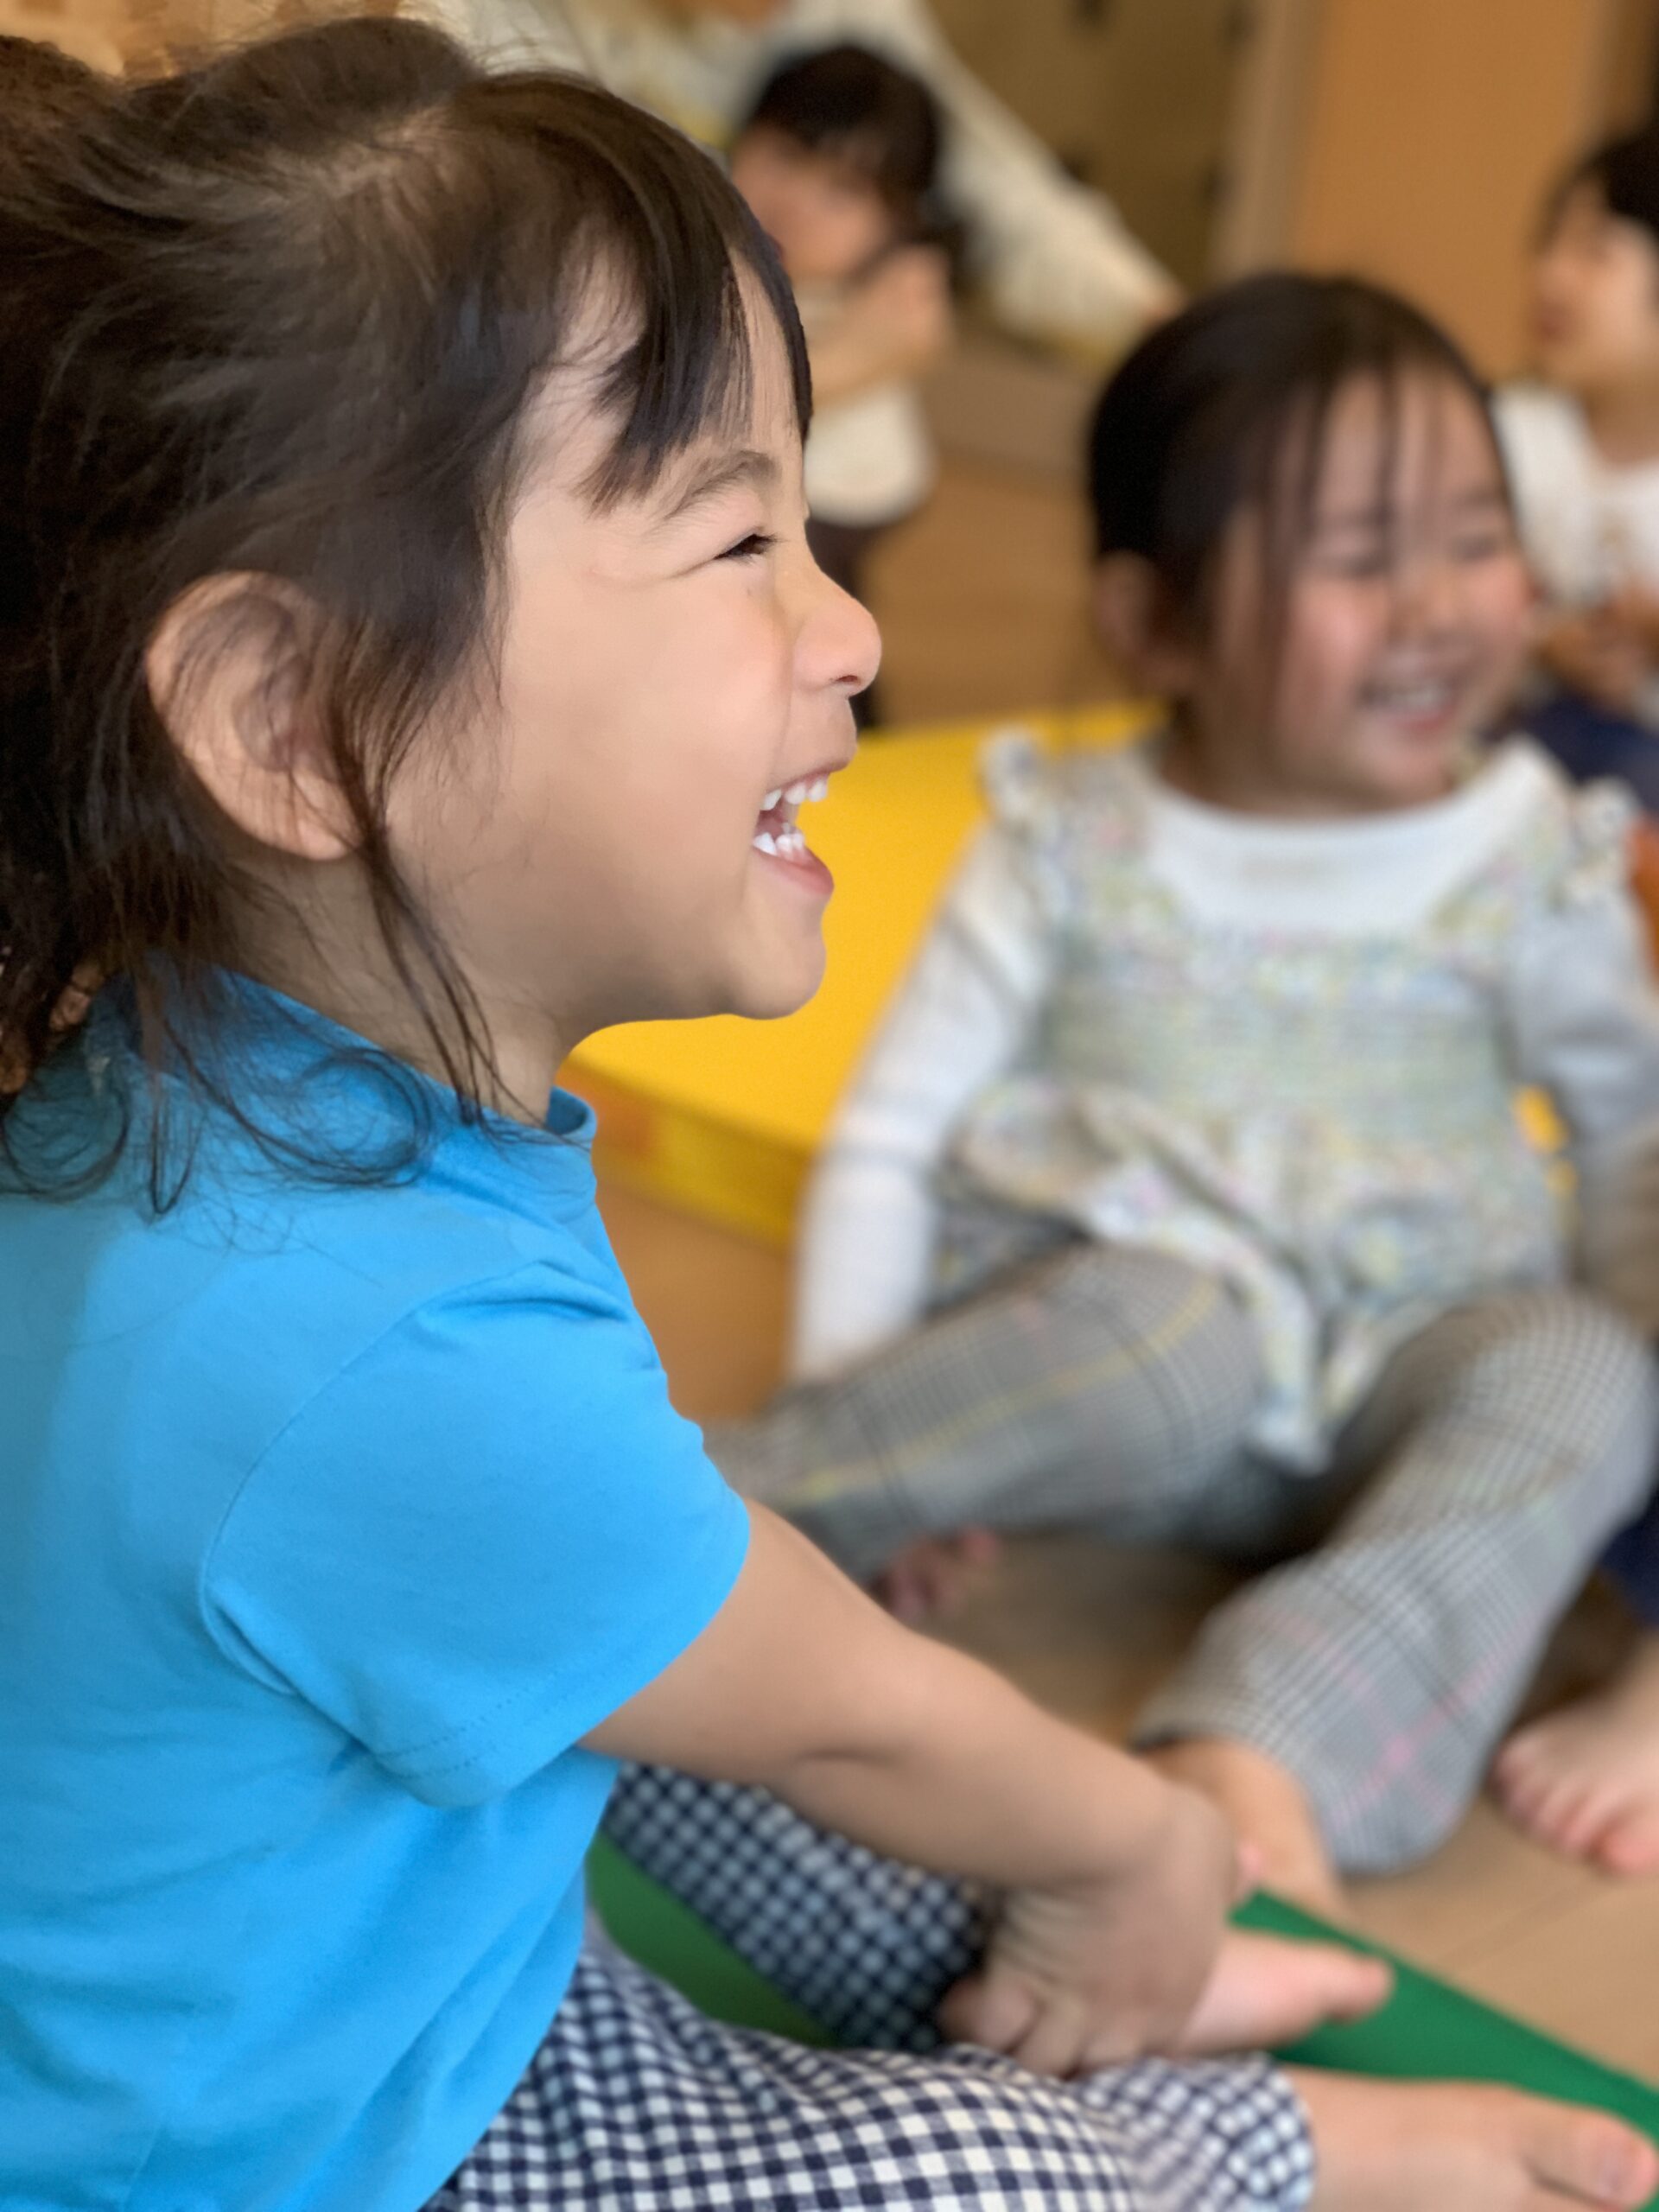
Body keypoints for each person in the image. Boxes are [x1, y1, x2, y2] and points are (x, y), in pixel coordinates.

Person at [4, 25, 1653, 2212]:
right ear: (296, 715)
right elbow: (854, 1708)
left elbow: (739, 1641)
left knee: (687, 1670)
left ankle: (1106, 2001)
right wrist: (1142, 1841)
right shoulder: (340, 1335)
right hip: (302, 2145)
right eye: (735, 537)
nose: (855, 622)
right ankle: (1218, 2124)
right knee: (970, 2124)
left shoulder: (230, 1081)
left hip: (384, 1940)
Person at [711, 271, 1659, 1923]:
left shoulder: (1529, 849)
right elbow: (890, 1138)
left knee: (1584, 1372)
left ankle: (1268, 1736)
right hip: (1139, 1358)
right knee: (1171, 1337)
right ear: (1157, 624)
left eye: (1476, 537)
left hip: (1410, 1366)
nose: (1439, 606)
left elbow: (1631, 1142)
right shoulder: (1072, 838)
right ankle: (739, 1513)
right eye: (1358, 559)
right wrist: (857, 1397)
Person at [416, 0, 1179, 359]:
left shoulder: (844, 15)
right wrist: (845, 364)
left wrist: (1155, 323)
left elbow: (996, 192)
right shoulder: (473, 23)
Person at [731, 42, 952, 709]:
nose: (794, 203)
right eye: (785, 156)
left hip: (832, 512)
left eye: (843, 191)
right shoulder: (718, 269)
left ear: (896, 225)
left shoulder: (879, 299)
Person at [1495, 128, 1659, 811]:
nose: (1551, 276)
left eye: (1595, 252)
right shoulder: (1503, 437)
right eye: (1551, 244)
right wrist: (1537, 645)